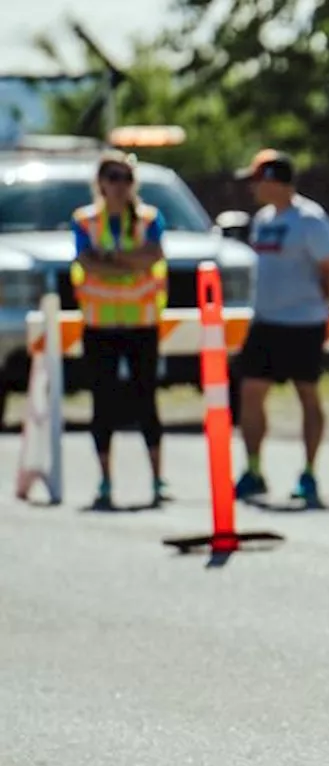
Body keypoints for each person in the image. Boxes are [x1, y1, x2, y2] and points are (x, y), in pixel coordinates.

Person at [231, 149, 329, 508]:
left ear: (272, 181)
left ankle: (309, 473)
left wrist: (325, 299)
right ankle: (253, 470)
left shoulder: (310, 219)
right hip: (265, 321)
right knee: (250, 392)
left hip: (303, 323)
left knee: (307, 394)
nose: (251, 188)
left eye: (256, 180)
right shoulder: (263, 220)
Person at [69, 149, 170, 509]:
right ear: (100, 182)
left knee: (146, 399)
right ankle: (105, 480)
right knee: (103, 402)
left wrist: (110, 259)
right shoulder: (85, 221)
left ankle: (158, 478)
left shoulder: (149, 218)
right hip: (100, 324)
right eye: (112, 177)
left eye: (125, 177)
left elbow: (153, 256)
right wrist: (130, 263)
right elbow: (87, 263)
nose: (119, 185)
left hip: (141, 323)